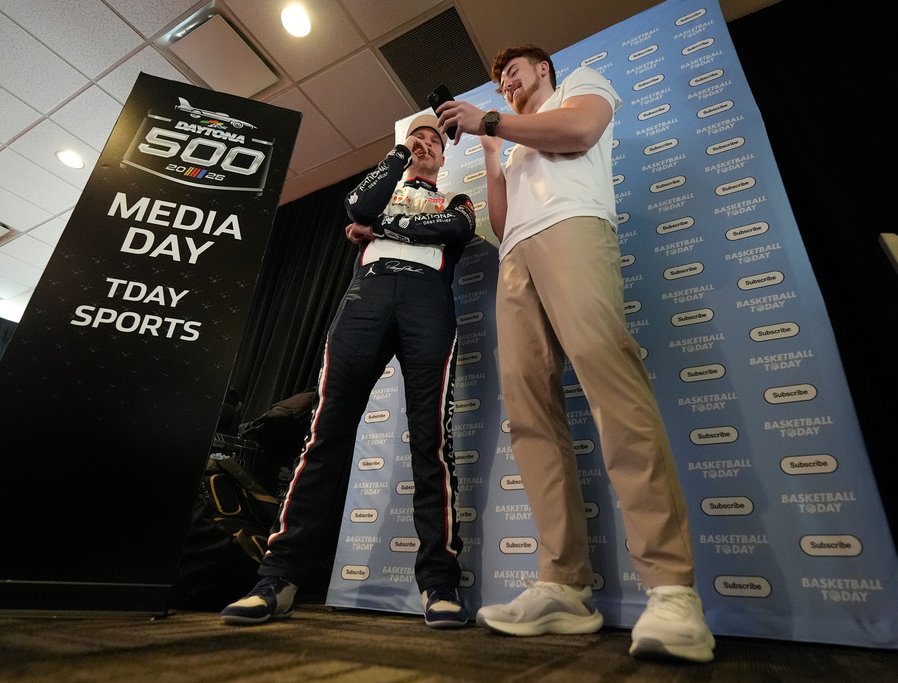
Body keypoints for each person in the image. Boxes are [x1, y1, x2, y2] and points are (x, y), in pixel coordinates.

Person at [435, 45, 716, 662]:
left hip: (574, 227)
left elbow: (581, 131)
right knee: (530, 412)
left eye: (514, 71)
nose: (506, 83)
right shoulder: (511, 139)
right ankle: (564, 586)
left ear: (543, 69)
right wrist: (492, 152)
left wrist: (490, 120)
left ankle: (672, 589)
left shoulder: (578, 85)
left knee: (611, 384)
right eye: (499, 82)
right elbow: (502, 223)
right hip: (517, 255)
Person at [221, 114, 476, 629]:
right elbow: (358, 206)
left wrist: (379, 228)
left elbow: (455, 229)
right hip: (367, 300)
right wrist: (399, 155)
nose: (426, 144)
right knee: (325, 434)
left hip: (428, 303)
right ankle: (278, 577)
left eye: (434, 141)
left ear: (445, 155)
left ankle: (439, 582)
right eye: (418, 138)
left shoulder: (456, 199)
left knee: (430, 441)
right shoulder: (385, 186)